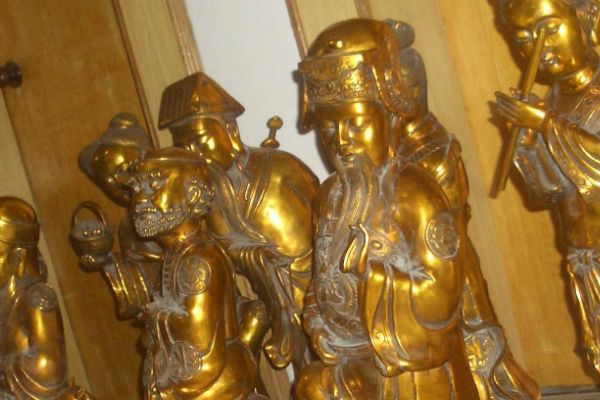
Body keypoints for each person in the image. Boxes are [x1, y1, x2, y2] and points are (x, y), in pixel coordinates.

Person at [295, 19, 480, 399]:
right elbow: (319, 278)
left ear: (389, 120)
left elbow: (442, 294)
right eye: (328, 130)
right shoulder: (328, 198)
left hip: (407, 363)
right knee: (311, 386)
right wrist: (317, 322)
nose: (342, 141)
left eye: (356, 123)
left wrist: (375, 275)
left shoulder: (417, 195)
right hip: (349, 357)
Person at [158, 73, 319, 370]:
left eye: (201, 141)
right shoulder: (208, 201)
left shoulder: (280, 169)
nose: (195, 156)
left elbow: (327, 229)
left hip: (321, 296)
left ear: (230, 131)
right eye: (185, 148)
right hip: (281, 306)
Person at [495, 0, 600, 374]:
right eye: (522, 39)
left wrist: (547, 126)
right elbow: (549, 192)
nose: (539, 47)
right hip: (585, 253)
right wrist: (527, 145)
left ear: (588, 18)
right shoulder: (555, 98)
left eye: (549, 29)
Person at [126, 148, 269, 400]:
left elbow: (199, 356)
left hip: (211, 386)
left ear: (192, 195)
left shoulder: (198, 261)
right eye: (136, 189)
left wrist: (154, 319)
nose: (139, 200)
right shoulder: (178, 254)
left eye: (153, 187)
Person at [0, 196, 94, 399]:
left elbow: (49, 366)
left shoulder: (36, 299)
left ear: (19, 257)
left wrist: (6, 371)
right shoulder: (5, 297)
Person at [71, 113, 161, 319]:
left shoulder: (171, 207)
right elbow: (144, 277)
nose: (117, 183)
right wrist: (108, 263)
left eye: (124, 170)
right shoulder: (129, 226)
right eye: (107, 180)